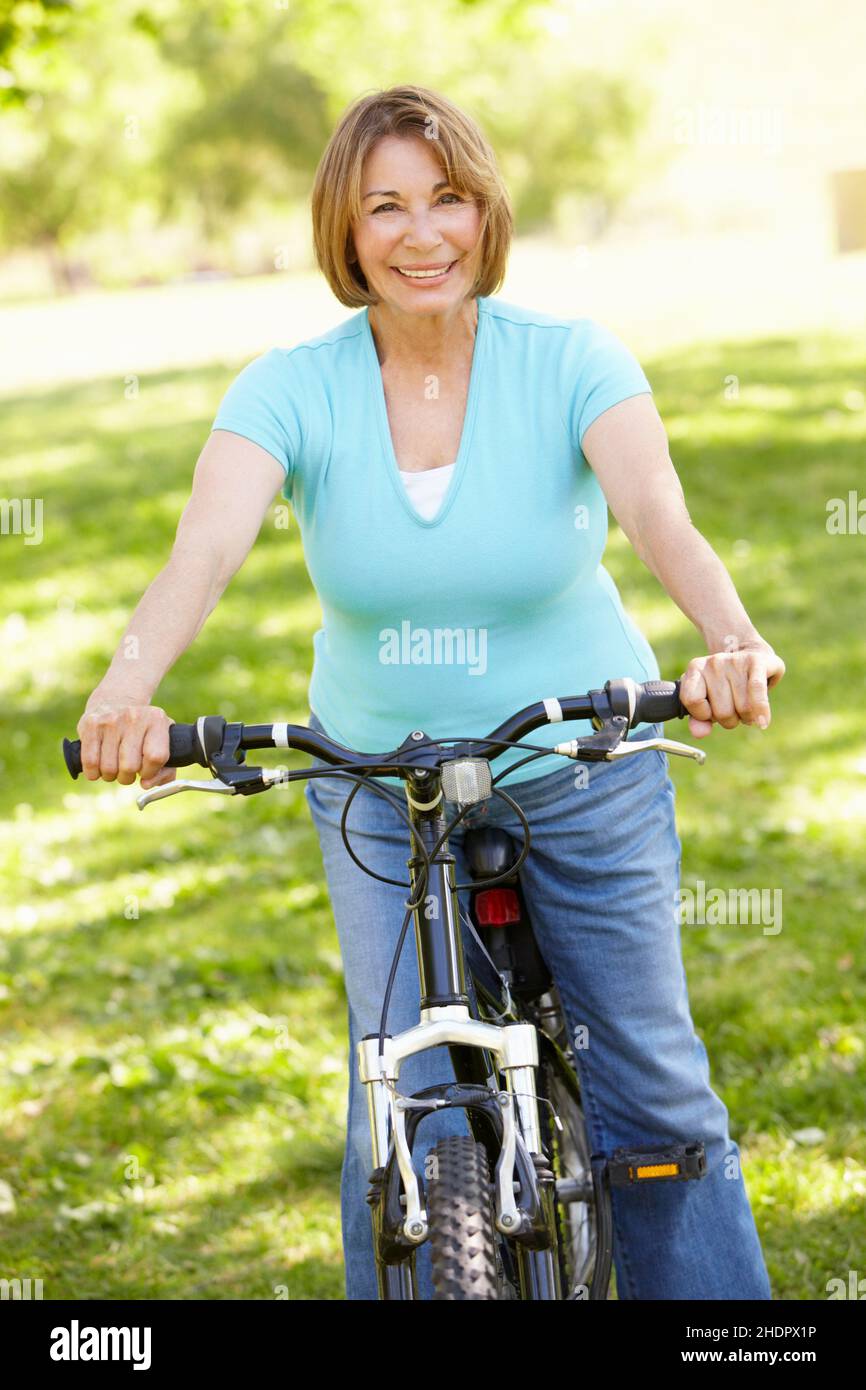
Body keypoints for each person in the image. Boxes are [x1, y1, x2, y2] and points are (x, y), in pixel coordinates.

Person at [77, 84, 785, 1301]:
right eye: (385, 207)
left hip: (576, 757)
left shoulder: (570, 361)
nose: (421, 235)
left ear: (484, 212)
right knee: (398, 1102)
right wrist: (122, 696)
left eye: (446, 198)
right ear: (344, 233)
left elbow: (661, 522)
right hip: (375, 782)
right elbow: (199, 554)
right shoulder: (289, 389)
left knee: (653, 1091)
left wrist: (728, 642)